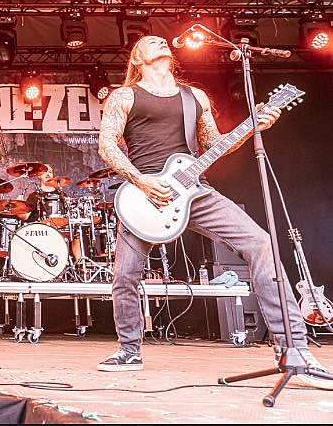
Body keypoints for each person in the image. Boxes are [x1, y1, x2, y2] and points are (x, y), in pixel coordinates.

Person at [96, 35, 331, 388]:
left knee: (261, 244)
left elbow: (215, 145)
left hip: (196, 192)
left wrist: (253, 126)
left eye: (162, 40)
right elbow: (107, 146)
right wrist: (142, 181)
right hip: (145, 197)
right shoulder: (125, 96)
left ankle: (294, 349)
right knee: (125, 276)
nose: (159, 40)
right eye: (149, 41)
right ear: (137, 58)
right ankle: (129, 350)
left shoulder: (194, 97)